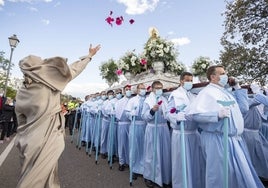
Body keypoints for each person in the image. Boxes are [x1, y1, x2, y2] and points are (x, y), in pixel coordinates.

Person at [14, 44, 101, 188]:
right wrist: (89, 56)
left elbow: (20, 120)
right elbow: (73, 69)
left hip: (28, 141)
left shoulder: (21, 91)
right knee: (35, 180)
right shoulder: (50, 83)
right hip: (48, 137)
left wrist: (23, 137)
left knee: (36, 174)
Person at [186, 65, 264, 188]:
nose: (225, 76)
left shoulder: (225, 92)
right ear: (212, 77)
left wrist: (237, 87)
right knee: (219, 175)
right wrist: (216, 115)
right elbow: (195, 115)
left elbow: (243, 108)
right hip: (217, 139)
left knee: (234, 175)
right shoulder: (207, 92)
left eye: (225, 73)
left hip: (233, 140)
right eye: (222, 73)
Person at [166, 72, 204, 188]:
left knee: (195, 163)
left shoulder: (192, 95)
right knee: (181, 163)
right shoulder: (175, 95)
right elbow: (168, 112)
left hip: (193, 134)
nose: (190, 83)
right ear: (181, 81)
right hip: (181, 134)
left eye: (191, 80)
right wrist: (176, 117)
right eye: (187, 80)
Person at [141, 81, 171, 188]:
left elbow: (168, 112)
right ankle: (150, 177)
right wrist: (152, 111)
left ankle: (164, 178)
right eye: (157, 88)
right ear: (152, 89)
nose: (159, 90)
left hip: (163, 128)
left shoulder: (164, 99)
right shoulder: (148, 101)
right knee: (152, 154)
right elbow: (144, 116)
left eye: (161, 88)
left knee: (164, 153)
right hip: (152, 128)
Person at [125, 83, 147, 179]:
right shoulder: (132, 100)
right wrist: (131, 114)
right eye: (141, 88)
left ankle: (143, 168)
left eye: (144, 88)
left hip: (145, 125)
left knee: (144, 147)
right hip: (135, 124)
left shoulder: (147, 99)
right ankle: (133, 169)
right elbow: (127, 112)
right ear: (137, 90)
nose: (143, 90)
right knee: (134, 147)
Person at [115, 85, 132, 171]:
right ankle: (121, 162)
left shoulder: (133, 100)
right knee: (122, 143)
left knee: (130, 144)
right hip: (122, 124)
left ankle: (130, 162)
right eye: (127, 89)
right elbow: (117, 113)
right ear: (124, 92)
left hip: (131, 124)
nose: (128, 91)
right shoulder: (120, 101)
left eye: (130, 89)